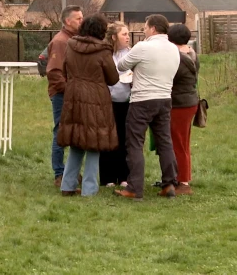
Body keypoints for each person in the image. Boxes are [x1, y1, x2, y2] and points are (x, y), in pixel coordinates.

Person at [114, 14, 180, 200]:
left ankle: (134, 187)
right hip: (165, 98)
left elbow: (121, 65)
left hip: (142, 100)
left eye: (145, 27)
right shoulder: (174, 49)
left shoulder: (143, 47)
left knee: (134, 142)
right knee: (165, 142)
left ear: (152, 28)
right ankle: (169, 183)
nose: (143, 30)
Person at [56, 15, 120, 197]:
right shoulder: (103, 50)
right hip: (96, 99)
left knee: (77, 141)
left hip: (74, 96)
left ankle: (67, 185)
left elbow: (64, 71)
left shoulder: (71, 45)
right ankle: (89, 189)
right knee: (94, 142)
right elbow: (113, 78)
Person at [46, 5, 83, 187]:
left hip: (73, 93)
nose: (81, 21)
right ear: (68, 21)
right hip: (63, 95)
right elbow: (54, 72)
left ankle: (72, 172)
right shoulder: (61, 42)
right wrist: (70, 89)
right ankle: (59, 173)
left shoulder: (75, 40)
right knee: (60, 132)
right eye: (78, 19)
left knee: (74, 132)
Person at [167, 24, 199, 195]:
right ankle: (180, 178)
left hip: (179, 103)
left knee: (178, 144)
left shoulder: (178, 58)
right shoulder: (192, 53)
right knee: (183, 143)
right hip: (189, 101)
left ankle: (183, 183)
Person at [99, 21, 131, 187]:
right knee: (108, 138)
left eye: (128, 34)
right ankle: (107, 177)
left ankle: (124, 176)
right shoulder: (106, 54)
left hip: (127, 101)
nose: (127, 37)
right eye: (124, 34)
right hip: (108, 102)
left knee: (125, 138)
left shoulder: (131, 54)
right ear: (113, 37)